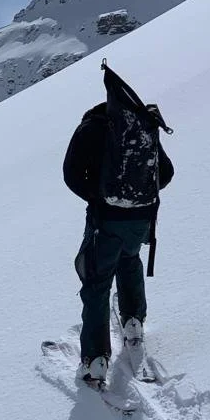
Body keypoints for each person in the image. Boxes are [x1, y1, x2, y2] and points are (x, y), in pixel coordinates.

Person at [62, 64, 174, 388]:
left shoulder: (90, 128)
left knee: (97, 283)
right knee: (129, 261)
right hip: (141, 219)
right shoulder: (140, 125)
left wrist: (97, 197)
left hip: (105, 220)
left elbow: (70, 174)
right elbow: (164, 173)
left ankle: (95, 360)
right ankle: (134, 323)